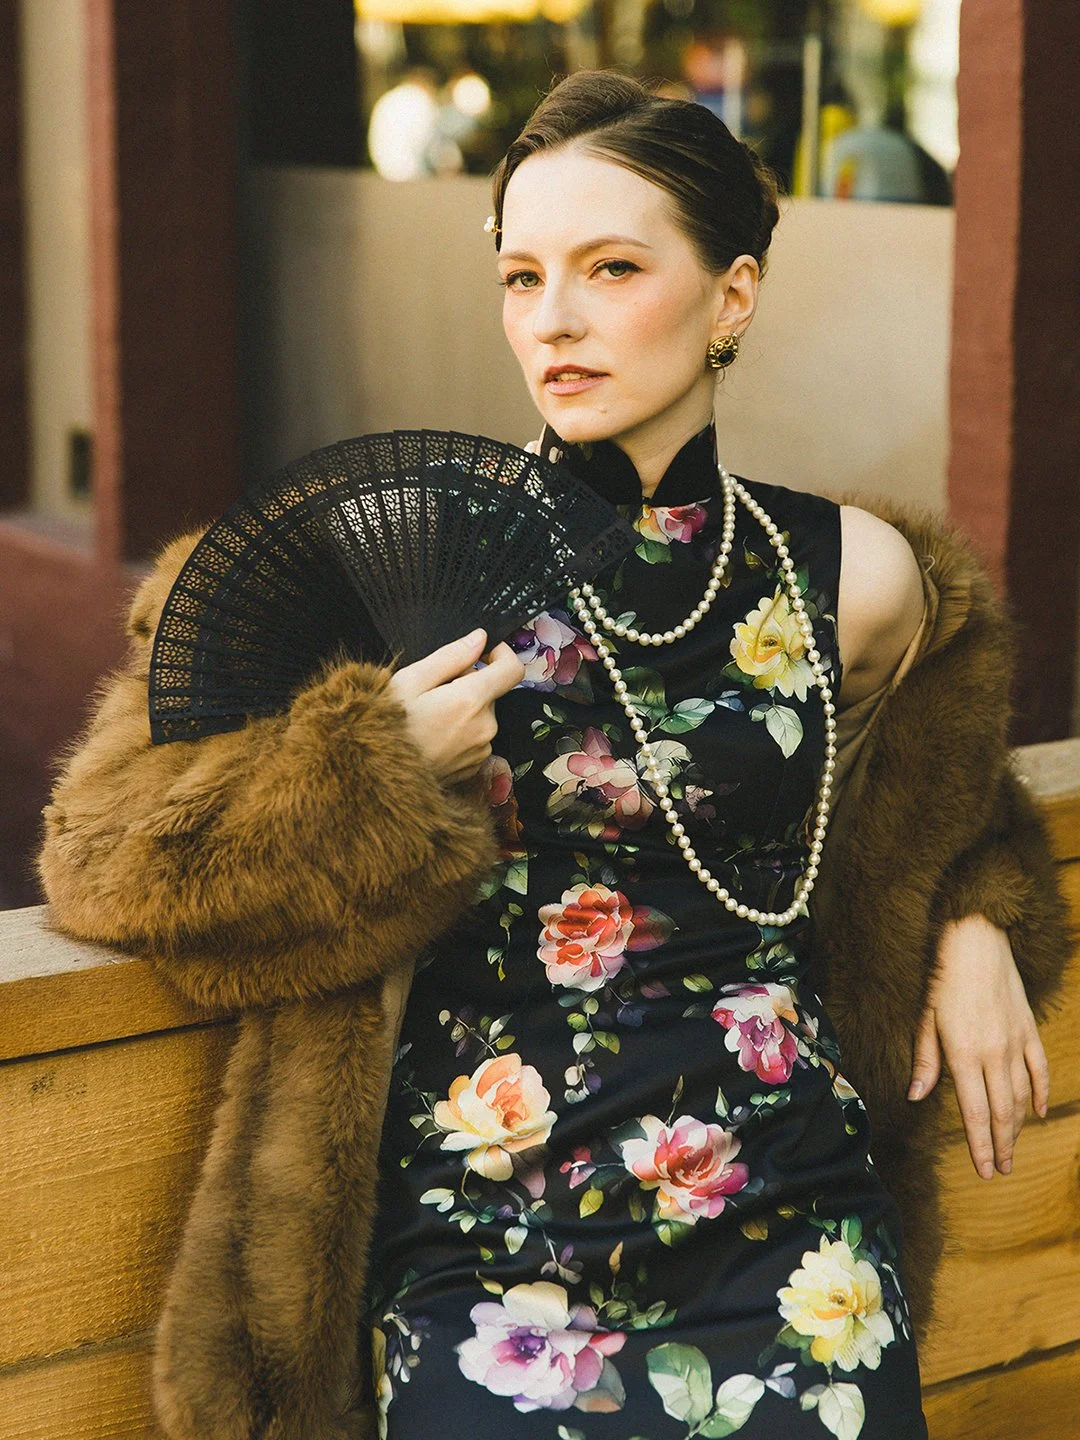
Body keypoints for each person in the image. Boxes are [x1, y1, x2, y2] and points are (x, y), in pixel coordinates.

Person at [36, 69, 1071, 1440]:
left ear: (733, 298)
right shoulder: (380, 563)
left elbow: (940, 802)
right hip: (481, 1234)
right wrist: (372, 764)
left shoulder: (854, 581)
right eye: (523, 276)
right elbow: (101, 856)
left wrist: (982, 920)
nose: (556, 320)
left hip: (789, 1219)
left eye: (612, 267)